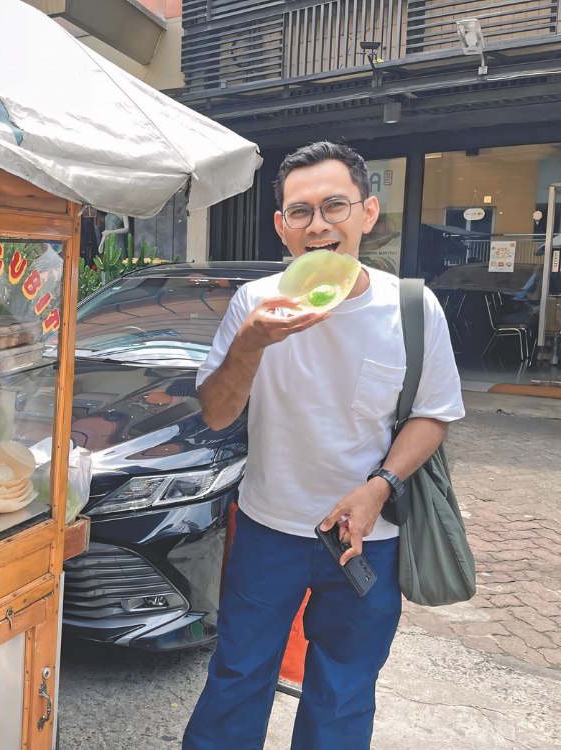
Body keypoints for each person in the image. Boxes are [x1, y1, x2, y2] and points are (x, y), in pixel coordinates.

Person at [183, 141, 464, 750]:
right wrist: (252, 344)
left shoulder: (412, 308)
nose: (319, 225)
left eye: (334, 206)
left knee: (341, 690)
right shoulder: (254, 304)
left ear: (368, 213)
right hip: (267, 528)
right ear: (282, 228)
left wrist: (379, 487)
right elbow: (217, 412)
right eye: (301, 212)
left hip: (367, 538)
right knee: (236, 676)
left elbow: (433, 415)